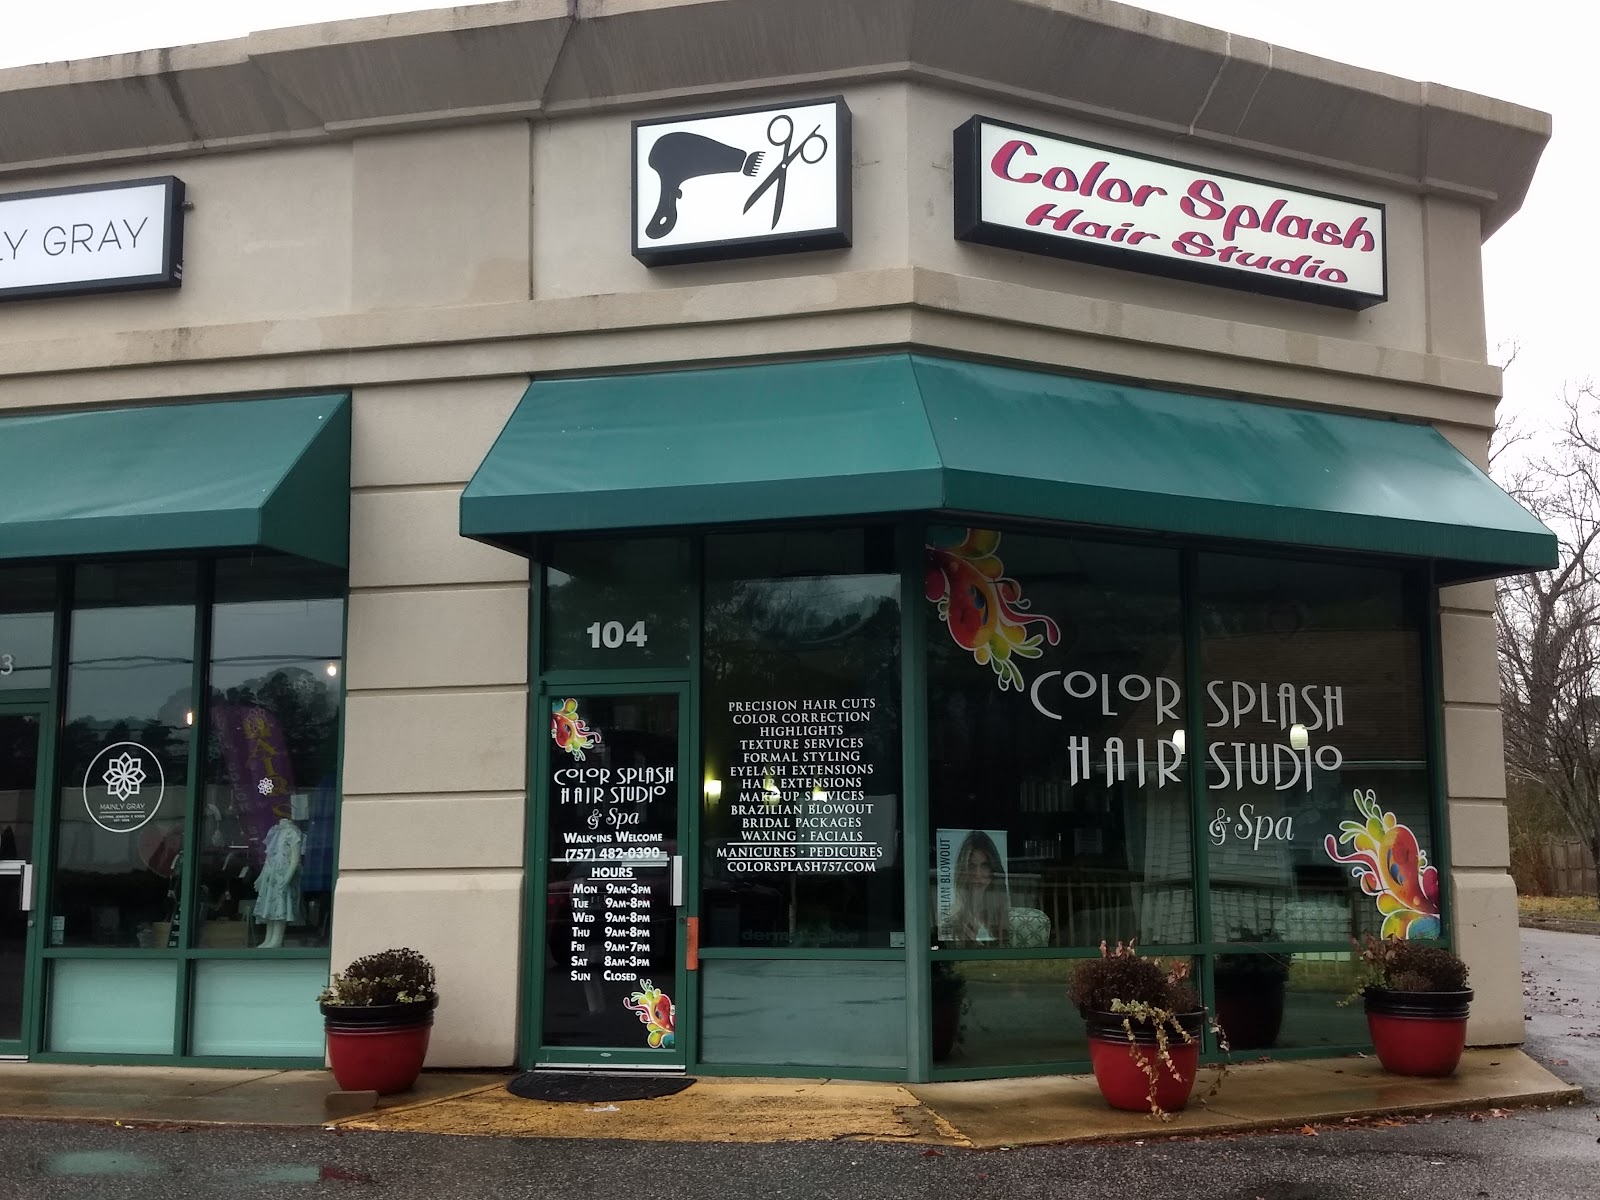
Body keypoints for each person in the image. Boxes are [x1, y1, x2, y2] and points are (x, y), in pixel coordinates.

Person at [946, 830, 1010, 947]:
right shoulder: (950, 920)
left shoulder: (1005, 918)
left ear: (993, 870)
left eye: (984, 866)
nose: (978, 874)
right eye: (972, 866)